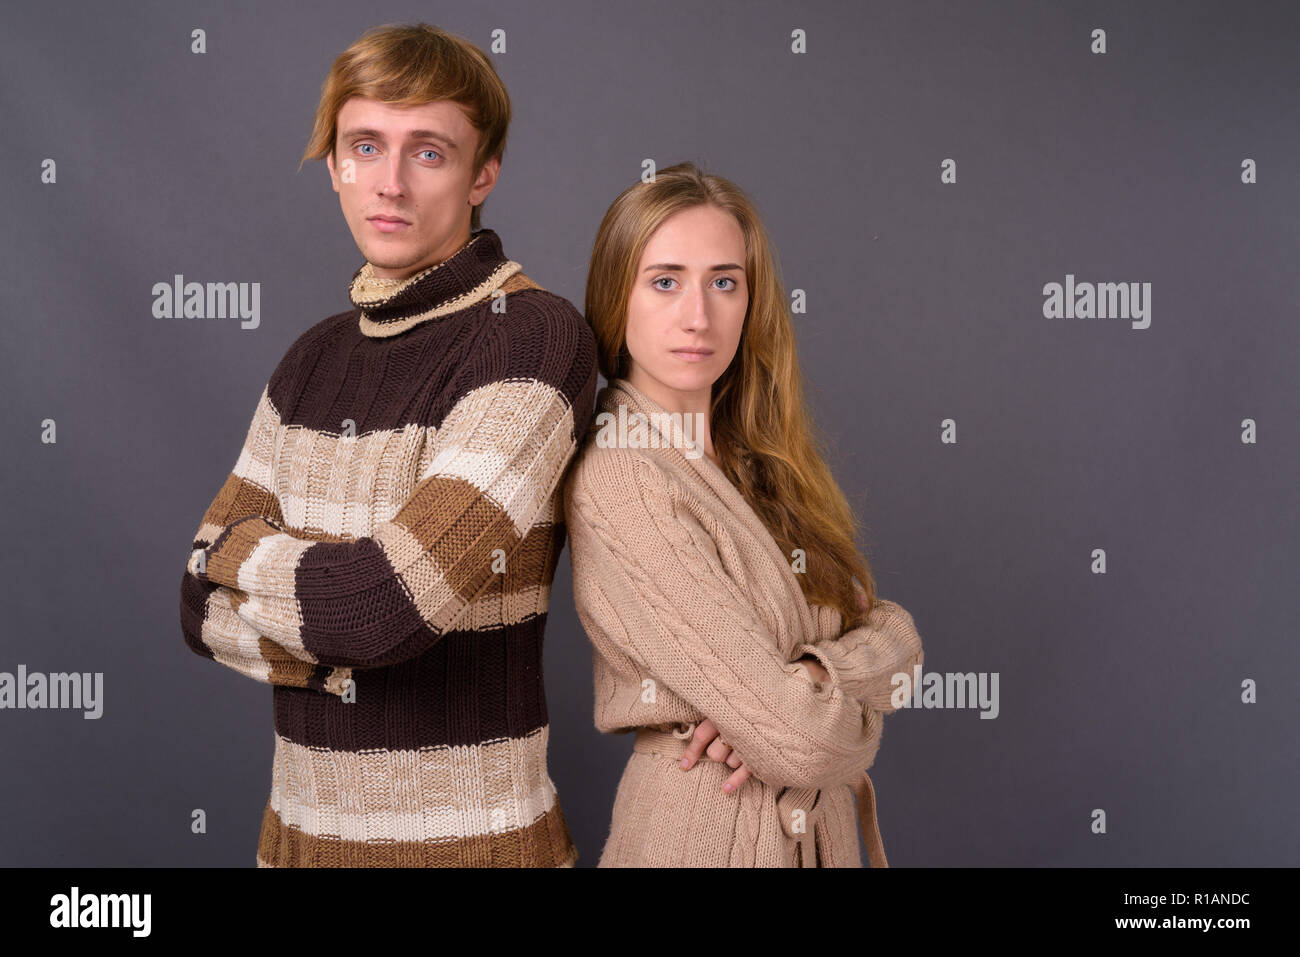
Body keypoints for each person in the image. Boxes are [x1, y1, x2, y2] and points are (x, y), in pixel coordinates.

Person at [179, 23, 596, 867]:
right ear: (333, 164)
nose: (390, 184)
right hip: (295, 844)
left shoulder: (531, 338)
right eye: (364, 146)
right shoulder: (311, 359)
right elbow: (195, 604)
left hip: (473, 852)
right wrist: (327, 618)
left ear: (485, 173)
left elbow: (389, 607)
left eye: (429, 152)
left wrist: (245, 556)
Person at [564, 162, 924, 867]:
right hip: (708, 834)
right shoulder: (624, 479)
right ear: (617, 299)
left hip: (815, 835)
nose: (698, 314)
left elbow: (896, 633)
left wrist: (815, 680)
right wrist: (806, 703)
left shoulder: (758, 461)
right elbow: (801, 738)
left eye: (723, 281)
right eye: (665, 280)